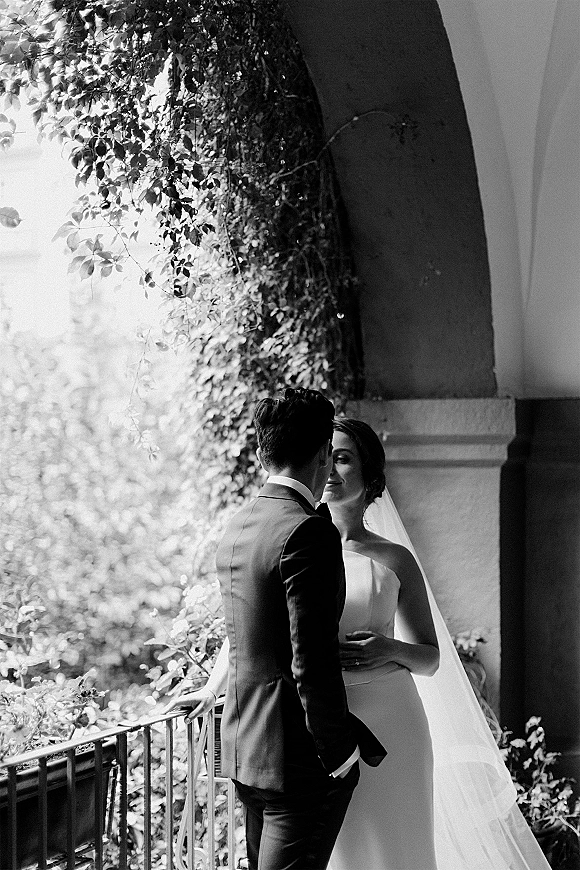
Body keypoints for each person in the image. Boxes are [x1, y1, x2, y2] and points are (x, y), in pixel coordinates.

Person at [172, 414, 552, 870]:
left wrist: (388, 648)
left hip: (391, 721)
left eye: (344, 459)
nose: (330, 470)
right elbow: (253, 631)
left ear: (369, 474)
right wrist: (212, 690)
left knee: (395, 849)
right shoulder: (295, 540)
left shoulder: (394, 559)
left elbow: (430, 659)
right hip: (316, 726)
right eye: (325, 458)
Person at [170, 390, 385, 870]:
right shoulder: (309, 531)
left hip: (247, 750)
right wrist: (340, 755)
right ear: (322, 457)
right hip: (300, 763)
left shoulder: (238, 525)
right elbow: (311, 661)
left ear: (265, 452)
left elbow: (247, 638)